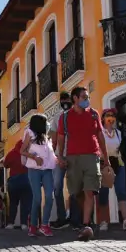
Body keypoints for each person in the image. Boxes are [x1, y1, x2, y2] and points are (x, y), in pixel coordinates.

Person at [56, 86, 110, 241]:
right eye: (84, 97)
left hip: (92, 156)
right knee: (76, 192)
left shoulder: (94, 114)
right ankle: (84, 221)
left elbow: (100, 137)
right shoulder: (65, 117)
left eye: (87, 97)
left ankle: (86, 225)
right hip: (72, 158)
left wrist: (105, 159)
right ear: (75, 99)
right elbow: (60, 138)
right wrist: (60, 156)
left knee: (89, 190)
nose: (87, 100)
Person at [97, 108, 126, 231]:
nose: (111, 118)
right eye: (108, 115)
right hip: (104, 164)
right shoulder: (99, 133)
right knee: (103, 193)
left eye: (113, 115)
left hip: (118, 164)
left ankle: (125, 220)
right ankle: (103, 221)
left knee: (122, 192)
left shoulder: (118, 133)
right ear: (102, 118)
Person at [21, 114, 57, 237]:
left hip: (47, 170)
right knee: (37, 198)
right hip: (34, 170)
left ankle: (45, 225)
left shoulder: (46, 137)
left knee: (49, 196)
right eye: (46, 122)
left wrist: (58, 160)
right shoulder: (29, 133)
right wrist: (34, 157)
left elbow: (50, 155)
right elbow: (22, 151)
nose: (48, 124)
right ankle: (33, 226)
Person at [48, 91, 77, 230]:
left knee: (73, 187)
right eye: (62, 100)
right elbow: (54, 138)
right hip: (60, 156)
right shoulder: (57, 116)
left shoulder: (76, 115)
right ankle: (62, 217)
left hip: (73, 155)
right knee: (57, 188)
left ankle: (74, 217)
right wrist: (56, 156)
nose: (65, 102)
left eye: (66, 99)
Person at [3, 138, 31, 230]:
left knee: (13, 203)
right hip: (26, 180)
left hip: (14, 182)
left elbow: (5, 164)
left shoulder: (12, 153)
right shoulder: (29, 154)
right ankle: (24, 224)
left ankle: (11, 223)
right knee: (25, 203)